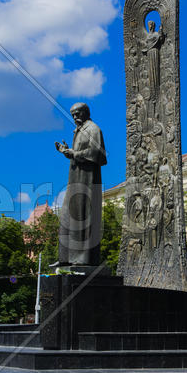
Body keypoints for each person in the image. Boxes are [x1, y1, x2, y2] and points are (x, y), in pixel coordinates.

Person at [55, 102, 107, 266]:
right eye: (73, 115)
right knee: (67, 216)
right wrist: (66, 152)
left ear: (86, 112)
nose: (75, 117)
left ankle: (81, 260)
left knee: (82, 216)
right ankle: (65, 258)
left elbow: (98, 153)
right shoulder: (79, 130)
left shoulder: (93, 129)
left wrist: (74, 153)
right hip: (75, 179)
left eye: (77, 113)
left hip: (87, 181)